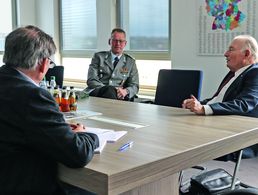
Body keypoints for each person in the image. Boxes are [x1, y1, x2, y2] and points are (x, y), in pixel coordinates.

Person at [0, 25, 99, 194]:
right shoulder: (33, 96)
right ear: (43, 63)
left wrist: (56, 130)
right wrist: (85, 134)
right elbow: (77, 154)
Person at [182, 34, 258, 160]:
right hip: (217, 123)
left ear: (246, 54)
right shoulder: (234, 74)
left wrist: (203, 109)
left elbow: (244, 104)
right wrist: (197, 104)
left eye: (231, 49)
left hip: (233, 133)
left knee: (179, 136)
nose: (225, 54)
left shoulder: (255, 72)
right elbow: (218, 100)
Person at [86, 28, 139, 101]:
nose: (118, 44)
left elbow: (135, 85)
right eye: (115, 40)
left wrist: (125, 91)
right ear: (109, 42)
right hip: (98, 92)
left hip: (119, 96)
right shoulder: (98, 57)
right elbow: (91, 79)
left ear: (125, 43)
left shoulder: (130, 62)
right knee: (109, 90)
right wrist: (109, 89)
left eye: (121, 41)